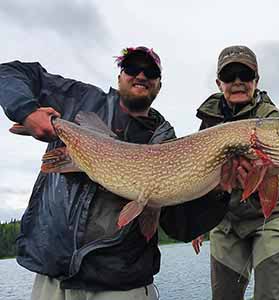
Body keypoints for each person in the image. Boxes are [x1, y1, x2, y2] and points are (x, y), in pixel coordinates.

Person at [0, 47, 231, 300]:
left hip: (122, 286)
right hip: (52, 280)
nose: (141, 75)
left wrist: (220, 190)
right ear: (120, 75)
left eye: (150, 71)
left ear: (159, 84)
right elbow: (10, 72)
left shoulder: (165, 140)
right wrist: (27, 110)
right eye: (132, 67)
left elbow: (180, 227)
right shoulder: (80, 99)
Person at [191, 45, 279, 300]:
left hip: (272, 216)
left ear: (256, 81)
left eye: (245, 75)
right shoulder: (209, 119)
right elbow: (198, 171)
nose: (238, 82)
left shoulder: (270, 117)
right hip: (227, 219)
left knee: (271, 295)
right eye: (230, 76)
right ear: (219, 83)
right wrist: (198, 221)